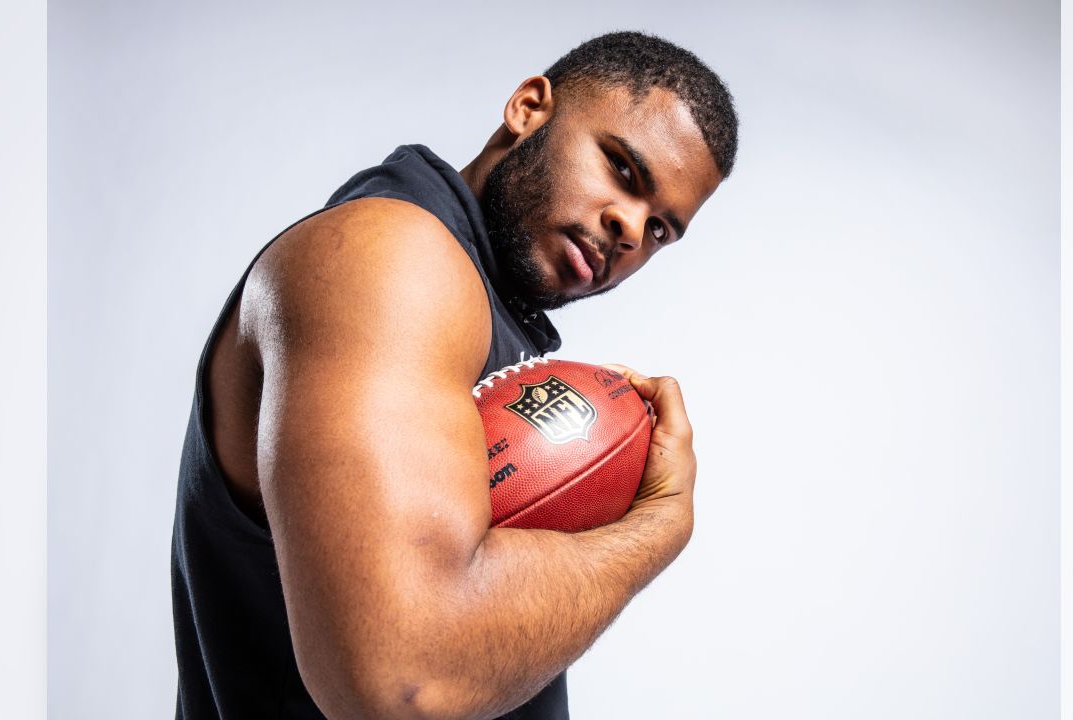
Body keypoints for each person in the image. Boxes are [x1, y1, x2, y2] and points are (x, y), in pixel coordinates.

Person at [172, 30, 739, 720]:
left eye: (659, 230)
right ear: (530, 107)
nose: (629, 226)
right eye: (622, 168)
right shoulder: (389, 260)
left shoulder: (474, 299)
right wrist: (658, 527)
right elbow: (406, 681)